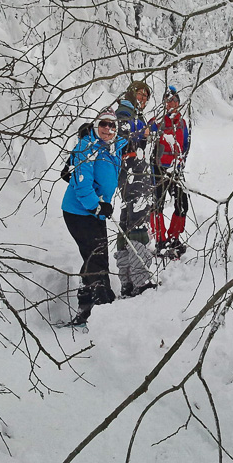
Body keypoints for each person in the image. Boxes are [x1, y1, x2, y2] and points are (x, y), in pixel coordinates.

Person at [61, 108, 126, 325]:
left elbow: (127, 143)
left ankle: (97, 301)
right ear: (96, 125)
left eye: (112, 125)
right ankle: (96, 308)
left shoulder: (113, 146)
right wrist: (96, 206)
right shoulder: (87, 147)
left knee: (98, 257)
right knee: (95, 259)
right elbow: (82, 184)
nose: (108, 128)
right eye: (103, 124)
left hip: (96, 212)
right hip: (79, 212)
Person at [114, 80, 156, 297]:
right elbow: (122, 139)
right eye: (140, 94)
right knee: (138, 223)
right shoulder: (125, 112)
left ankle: (127, 281)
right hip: (133, 175)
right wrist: (142, 134)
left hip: (132, 174)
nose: (143, 99)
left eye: (146, 96)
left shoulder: (134, 114)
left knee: (127, 223)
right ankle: (140, 280)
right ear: (131, 93)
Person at [149, 85, 190, 258]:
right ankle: (160, 241)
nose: (171, 103)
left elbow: (185, 144)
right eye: (168, 100)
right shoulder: (159, 120)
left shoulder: (182, 123)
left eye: (174, 100)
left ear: (178, 103)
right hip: (158, 169)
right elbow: (146, 132)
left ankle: (174, 239)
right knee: (157, 205)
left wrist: (181, 161)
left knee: (182, 205)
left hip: (176, 170)